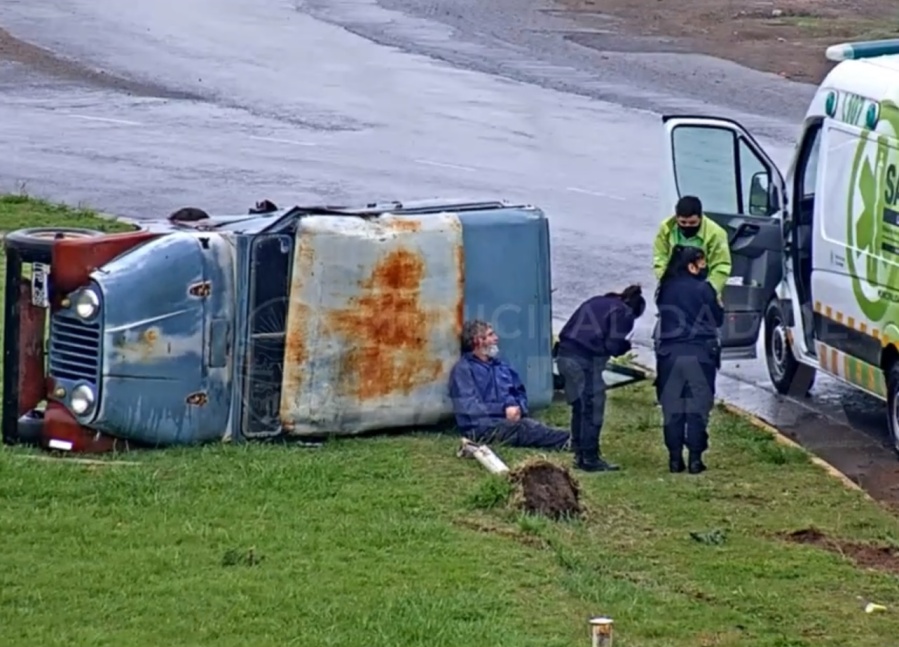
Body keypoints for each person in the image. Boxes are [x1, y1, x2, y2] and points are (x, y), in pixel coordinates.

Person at [555, 285, 646, 472]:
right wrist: (625, 346)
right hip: (583, 360)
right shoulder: (625, 313)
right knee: (593, 407)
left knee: (579, 406)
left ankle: (579, 452)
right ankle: (590, 458)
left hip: (563, 355)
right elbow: (612, 346)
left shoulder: (598, 300)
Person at [449, 319, 571, 450]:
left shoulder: (501, 365)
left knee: (533, 427)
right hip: (481, 427)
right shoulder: (464, 369)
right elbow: (468, 407)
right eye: (491, 335)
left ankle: (569, 439)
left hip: (510, 422)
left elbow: (519, 391)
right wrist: (503, 410)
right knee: (526, 430)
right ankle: (570, 441)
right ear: (477, 340)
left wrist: (519, 408)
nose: (496, 338)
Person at [655, 245, 724, 475]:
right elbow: (717, 318)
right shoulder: (704, 289)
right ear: (692, 265)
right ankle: (695, 459)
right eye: (702, 263)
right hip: (699, 354)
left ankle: (674, 459)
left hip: (670, 355)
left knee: (672, 408)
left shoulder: (665, 288)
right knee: (697, 407)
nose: (705, 267)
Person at [652, 195, 732, 299]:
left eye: (692, 222)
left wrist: (708, 290)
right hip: (674, 287)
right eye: (683, 222)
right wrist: (666, 282)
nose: (687, 226)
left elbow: (721, 266)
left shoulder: (716, 234)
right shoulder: (666, 228)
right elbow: (660, 257)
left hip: (703, 289)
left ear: (701, 217)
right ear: (676, 218)